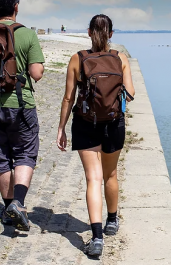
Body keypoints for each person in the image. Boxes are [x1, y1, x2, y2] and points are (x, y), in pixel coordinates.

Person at [56, 14, 135, 257]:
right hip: (113, 124)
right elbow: (131, 93)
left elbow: (69, 97)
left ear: (89, 32)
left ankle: (97, 237)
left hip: (84, 123)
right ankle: (112, 220)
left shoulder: (77, 59)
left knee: (93, 179)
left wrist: (61, 128)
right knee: (111, 174)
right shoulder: (120, 58)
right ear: (111, 34)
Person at [0, 0, 45, 230]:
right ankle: (18, 202)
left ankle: (8, 209)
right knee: (25, 153)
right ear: (16, 6)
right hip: (20, 104)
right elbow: (36, 74)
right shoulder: (26, 34)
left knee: (0, 157)